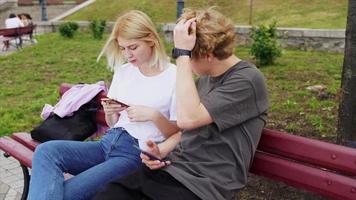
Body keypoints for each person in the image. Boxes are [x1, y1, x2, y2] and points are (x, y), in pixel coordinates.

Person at [93, 7, 269, 200]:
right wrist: (161, 150)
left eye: (188, 58)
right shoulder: (205, 80)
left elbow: (188, 120)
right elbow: (185, 131)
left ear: (208, 55)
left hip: (204, 184)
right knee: (108, 194)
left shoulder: (247, 80)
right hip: (172, 170)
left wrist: (183, 54)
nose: (186, 66)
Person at [28, 10, 179, 200]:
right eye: (122, 48)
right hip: (107, 143)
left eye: (133, 47)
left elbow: (177, 133)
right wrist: (110, 113)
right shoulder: (124, 71)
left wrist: (154, 116)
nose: (127, 55)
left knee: (65, 194)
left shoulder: (174, 76)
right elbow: (113, 123)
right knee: (46, 151)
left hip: (133, 155)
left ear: (151, 39)